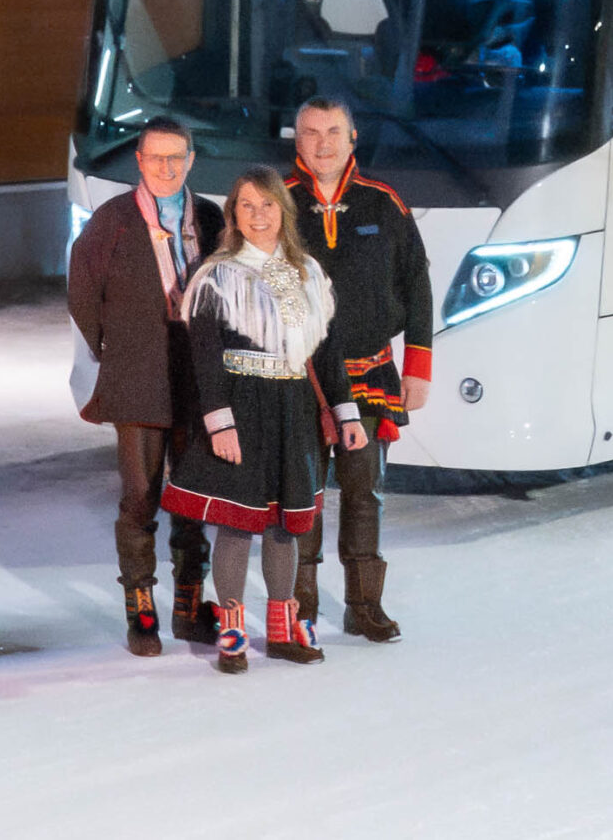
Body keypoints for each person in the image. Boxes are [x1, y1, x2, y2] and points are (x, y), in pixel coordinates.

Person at [162, 167, 367, 672]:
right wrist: (220, 423)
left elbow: (327, 352)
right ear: (233, 215)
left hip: (293, 410)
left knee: (284, 525)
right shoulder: (216, 276)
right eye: (247, 206)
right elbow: (205, 358)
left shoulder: (308, 274)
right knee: (237, 524)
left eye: (268, 205)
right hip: (240, 408)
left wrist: (346, 414)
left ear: (283, 210)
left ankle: (280, 629)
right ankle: (232, 632)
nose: (258, 215)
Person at [65, 117, 222, 656]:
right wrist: (117, 349)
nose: (166, 167)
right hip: (137, 377)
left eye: (176, 157)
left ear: (191, 160)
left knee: (193, 497)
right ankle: (141, 608)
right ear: (139, 160)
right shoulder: (111, 220)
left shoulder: (211, 217)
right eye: (156, 157)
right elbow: (82, 294)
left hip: (198, 377)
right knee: (139, 497)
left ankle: (189, 605)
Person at [286, 97, 432, 640]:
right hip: (298, 378)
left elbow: (417, 286)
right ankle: (298, 606)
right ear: (296, 140)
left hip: (369, 374)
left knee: (364, 491)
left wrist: (418, 368)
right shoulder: (275, 203)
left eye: (333, 131)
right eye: (310, 132)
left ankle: (365, 605)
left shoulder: (384, 203)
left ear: (353, 139)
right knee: (301, 494)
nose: (322, 143)